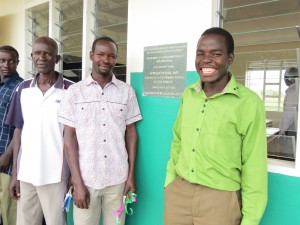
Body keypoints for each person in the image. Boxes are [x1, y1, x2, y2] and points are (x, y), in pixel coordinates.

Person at [164, 27, 268, 225]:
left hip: (221, 200)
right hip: (179, 193)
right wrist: (170, 181)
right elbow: (178, 139)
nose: (206, 60)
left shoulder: (249, 102)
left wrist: (251, 220)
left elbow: (254, 165)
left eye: (216, 54)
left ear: (230, 58)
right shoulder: (189, 94)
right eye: (200, 54)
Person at [58, 36, 142, 225]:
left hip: (118, 178)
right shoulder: (75, 92)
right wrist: (77, 182)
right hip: (86, 179)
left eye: (111, 56)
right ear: (91, 56)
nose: (105, 60)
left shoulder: (126, 92)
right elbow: (69, 137)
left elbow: (131, 133)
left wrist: (131, 176)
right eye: (100, 54)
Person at [5, 37, 73, 225]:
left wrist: (74, 175)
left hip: (56, 175)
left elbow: (74, 137)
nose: (41, 57)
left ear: (57, 58)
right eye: (37, 53)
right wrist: (15, 175)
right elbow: (18, 131)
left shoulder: (70, 90)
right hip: (26, 174)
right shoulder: (23, 88)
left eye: (47, 53)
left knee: (56, 222)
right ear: (32, 56)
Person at [0, 46, 23, 225]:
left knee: (8, 211)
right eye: (2, 60)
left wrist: (7, 155)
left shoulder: (21, 87)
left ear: (17, 62)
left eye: (11, 60)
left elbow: (20, 126)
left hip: (6, 162)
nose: (6, 64)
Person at [279, 67, 299, 137]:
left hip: (292, 129)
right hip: (295, 127)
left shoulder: (293, 91)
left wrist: (282, 131)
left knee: (289, 147)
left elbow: (288, 115)